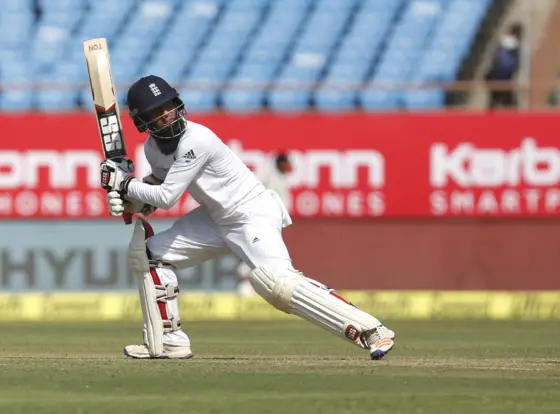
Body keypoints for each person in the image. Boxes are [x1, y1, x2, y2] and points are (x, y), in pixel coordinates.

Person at [100, 75, 395, 360]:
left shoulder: (197, 139)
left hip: (251, 212)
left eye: (169, 105)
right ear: (142, 122)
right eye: (156, 112)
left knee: (275, 283)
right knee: (150, 254)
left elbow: (167, 196)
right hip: (215, 218)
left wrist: (123, 183)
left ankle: (372, 330)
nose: (166, 115)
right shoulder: (153, 150)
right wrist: (127, 201)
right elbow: (152, 197)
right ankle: (168, 341)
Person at [236, 151, 292, 297]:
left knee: (267, 253)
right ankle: (244, 281)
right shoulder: (269, 176)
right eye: (285, 163)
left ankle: (259, 284)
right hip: (264, 220)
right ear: (280, 163)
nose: (287, 166)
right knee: (259, 249)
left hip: (275, 222)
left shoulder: (282, 177)